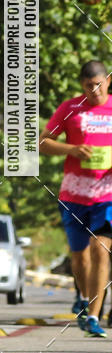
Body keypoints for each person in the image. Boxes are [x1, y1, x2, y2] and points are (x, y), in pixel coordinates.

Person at [39, 60, 112, 338]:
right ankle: (83, 297)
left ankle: (94, 316)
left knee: (100, 250)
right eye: (89, 85)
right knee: (79, 258)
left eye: (99, 84)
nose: (95, 90)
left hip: (107, 195)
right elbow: (43, 143)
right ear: (82, 85)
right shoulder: (71, 108)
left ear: (107, 80)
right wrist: (71, 149)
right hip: (74, 195)